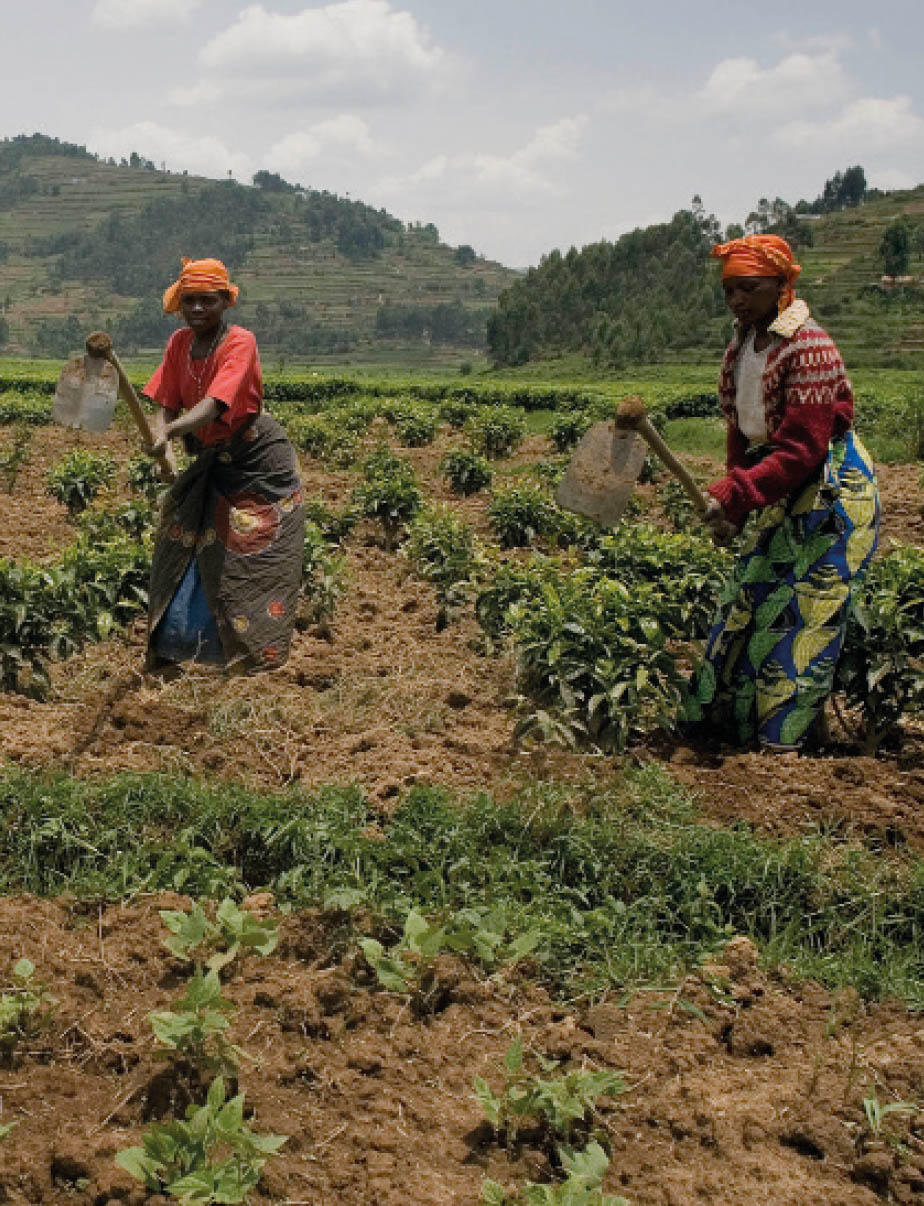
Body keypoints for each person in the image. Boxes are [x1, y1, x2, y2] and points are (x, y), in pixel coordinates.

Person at [685, 233, 880, 750]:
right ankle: (726, 726)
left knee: (800, 619)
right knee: (746, 601)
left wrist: (738, 492)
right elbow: (741, 432)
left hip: (828, 495)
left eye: (748, 288)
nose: (737, 300)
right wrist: (735, 496)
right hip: (778, 483)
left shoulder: (808, 347)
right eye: (730, 290)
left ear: (781, 286)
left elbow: (801, 450)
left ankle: (779, 746)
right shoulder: (742, 345)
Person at [142, 257, 305, 674]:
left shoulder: (240, 341)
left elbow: (216, 404)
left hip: (257, 461)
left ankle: (255, 659)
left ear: (225, 302)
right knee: (179, 542)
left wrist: (172, 431)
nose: (197, 309)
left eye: (207, 301)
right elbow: (164, 402)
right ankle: (178, 649)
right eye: (190, 301)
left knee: (253, 554)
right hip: (210, 457)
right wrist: (161, 436)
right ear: (179, 303)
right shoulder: (179, 343)